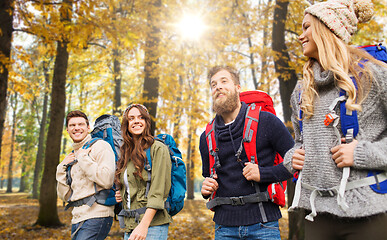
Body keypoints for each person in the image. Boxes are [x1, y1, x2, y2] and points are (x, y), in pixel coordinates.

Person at [283, 0, 387, 239]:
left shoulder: (374, 75)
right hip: (318, 216)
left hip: (369, 215)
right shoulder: (301, 91)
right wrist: (293, 157)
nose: (301, 36)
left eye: (307, 27)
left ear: (328, 28)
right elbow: (299, 142)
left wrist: (362, 153)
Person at [199, 65, 294, 239]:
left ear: (237, 88)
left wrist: (264, 173)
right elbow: (208, 177)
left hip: (263, 225)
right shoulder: (206, 137)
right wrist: (206, 189)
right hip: (223, 228)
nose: (217, 86)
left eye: (224, 81)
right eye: (213, 84)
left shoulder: (266, 121)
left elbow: (295, 160)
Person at [115, 104, 171, 240]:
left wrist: (143, 226)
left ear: (146, 122)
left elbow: (158, 192)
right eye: (131, 118)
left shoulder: (158, 149)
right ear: (126, 124)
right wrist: (122, 192)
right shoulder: (126, 152)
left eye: (141, 118)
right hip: (130, 225)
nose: (136, 121)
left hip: (151, 226)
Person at [56, 110, 116, 239]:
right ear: (67, 129)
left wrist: (84, 159)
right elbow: (65, 196)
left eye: (80, 124)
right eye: (72, 125)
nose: (76, 128)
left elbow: (107, 180)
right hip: (77, 217)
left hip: (98, 215)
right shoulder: (72, 156)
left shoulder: (101, 146)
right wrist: (61, 169)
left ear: (88, 128)